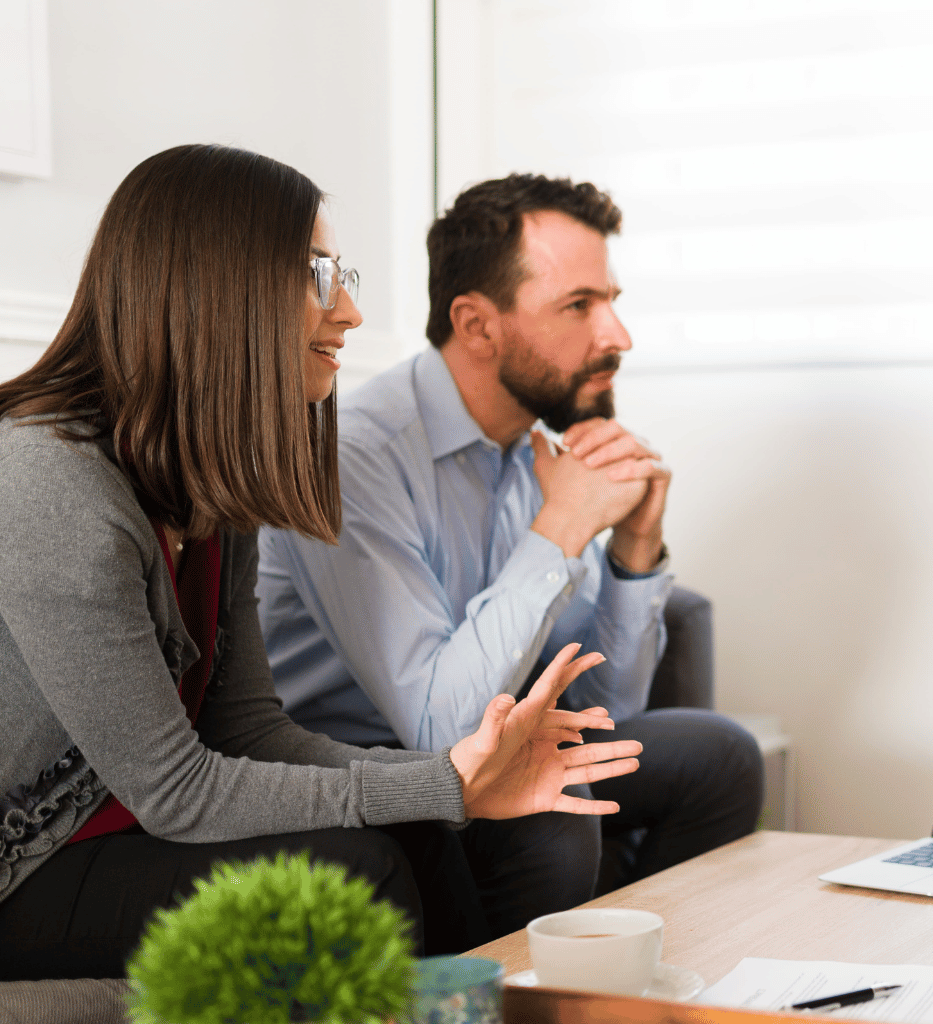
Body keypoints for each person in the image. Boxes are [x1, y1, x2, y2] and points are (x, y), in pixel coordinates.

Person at [0, 144, 644, 979]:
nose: (351, 312)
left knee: (416, 831)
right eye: (319, 275)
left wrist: (449, 780)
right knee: (357, 872)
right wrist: (444, 782)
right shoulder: (48, 482)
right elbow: (176, 790)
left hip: (124, 825)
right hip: (2, 877)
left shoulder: (209, 474)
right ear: (222, 290)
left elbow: (249, 730)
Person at [256, 173, 762, 936]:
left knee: (720, 756)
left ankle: (639, 993)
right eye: (579, 306)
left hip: (478, 734)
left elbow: (608, 710)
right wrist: (560, 527)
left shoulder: (534, 452)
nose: (617, 337)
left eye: (612, 302)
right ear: (478, 325)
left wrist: (633, 549)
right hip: (364, 759)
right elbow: (440, 732)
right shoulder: (352, 457)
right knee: (552, 819)